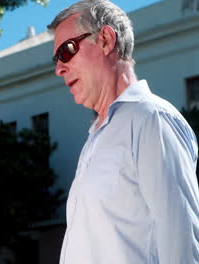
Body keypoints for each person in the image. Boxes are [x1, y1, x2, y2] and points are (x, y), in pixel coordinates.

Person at [47, 0, 199, 263]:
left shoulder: (150, 118)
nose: (59, 68)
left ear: (105, 39)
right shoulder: (96, 137)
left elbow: (181, 243)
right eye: (56, 58)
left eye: (67, 50)